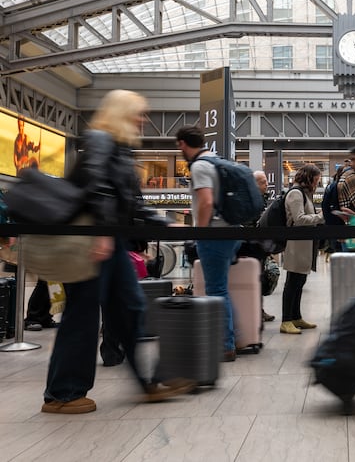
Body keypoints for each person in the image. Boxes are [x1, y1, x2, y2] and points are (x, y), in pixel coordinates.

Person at [42, 90, 195, 415]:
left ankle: (149, 382)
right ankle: (62, 394)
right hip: (94, 243)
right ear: (122, 113)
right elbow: (95, 186)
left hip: (111, 242)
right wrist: (101, 232)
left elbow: (132, 202)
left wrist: (162, 222)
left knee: (130, 309)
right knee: (83, 316)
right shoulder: (100, 140)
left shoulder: (121, 149)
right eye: (139, 113)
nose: (144, 119)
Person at [176, 125, 242, 362]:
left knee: (217, 290)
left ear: (183, 143)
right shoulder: (217, 160)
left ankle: (226, 345)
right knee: (222, 288)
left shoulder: (201, 166)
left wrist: (199, 234)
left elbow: (205, 202)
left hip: (214, 234)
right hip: (231, 232)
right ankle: (233, 338)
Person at [279, 163, 324, 334]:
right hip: (296, 244)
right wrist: (320, 217)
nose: (317, 183)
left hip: (303, 243)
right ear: (308, 177)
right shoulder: (296, 194)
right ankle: (286, 320)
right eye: (316, 179)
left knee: (299, 281)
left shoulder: (303, 194)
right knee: (292, 282)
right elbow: (298, 219)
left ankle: (296, 316)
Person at [236, 170, 276, 323]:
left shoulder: (259, 199)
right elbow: (249, 225)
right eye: (263, 182)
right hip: (251, 247)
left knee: (258, 279)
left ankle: (258, 310)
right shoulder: (249, 201)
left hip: (258, 247)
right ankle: (254, 311)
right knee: (253, 280)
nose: (267, 185)